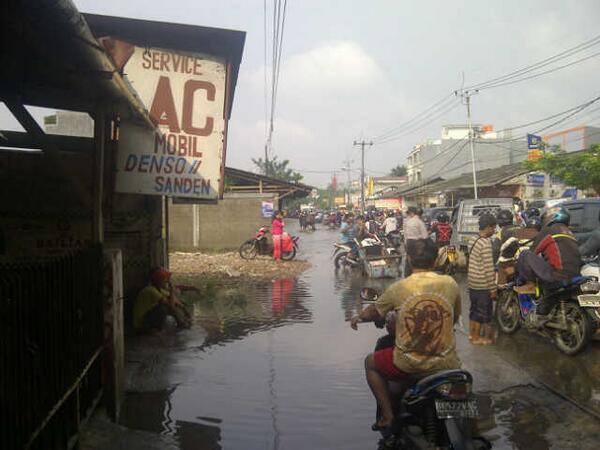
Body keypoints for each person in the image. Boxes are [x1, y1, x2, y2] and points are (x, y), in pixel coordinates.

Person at [350, 238, 461, 430]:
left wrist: (358, 317)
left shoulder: (399, 288)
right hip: (447, 364)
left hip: (408, 364)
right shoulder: (450, 284)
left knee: (370, 363)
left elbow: (375, 311)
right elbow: (455, 316)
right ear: (435, 261)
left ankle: (387, 415)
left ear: (409, 260)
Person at [516, 206, 582, 314]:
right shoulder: (570, 233)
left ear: (551, 217)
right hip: (576, 275)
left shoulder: (549, 230)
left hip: (557, 275)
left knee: (525, 254)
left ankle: (530, 284)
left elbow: (533, 251)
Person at [467, 213, 498, 345]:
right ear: (488, 227)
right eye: (493, 228)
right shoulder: (485, 243)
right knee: (482, 313)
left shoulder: (473, 239)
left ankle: (472, 334)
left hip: (472, 282)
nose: (494, 231)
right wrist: (493, 289)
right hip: (482, 284)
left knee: (474, 310)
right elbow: (488, 268)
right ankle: (477, 338)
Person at [133, 267, 191, 333]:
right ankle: (151, 329)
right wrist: (171, 290)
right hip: (141, 324)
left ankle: (180, 323)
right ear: (159, 281)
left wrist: (184, 309)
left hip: (147, 317)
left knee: (171, 302)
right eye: (165, 280)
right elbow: (171, 305)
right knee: (164, 307)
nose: (167, 282)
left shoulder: (158, 289)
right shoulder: (151, 290)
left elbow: (174, 300)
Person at [404, 206, 429, 276]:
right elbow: (425, 236)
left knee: (408, 261)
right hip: (417, 244)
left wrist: (406, 244)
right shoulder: (419, 222)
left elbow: (405, 235)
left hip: (409, 243)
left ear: (411, 213)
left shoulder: (407, 222)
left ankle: (407, 276)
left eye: (408, 214)